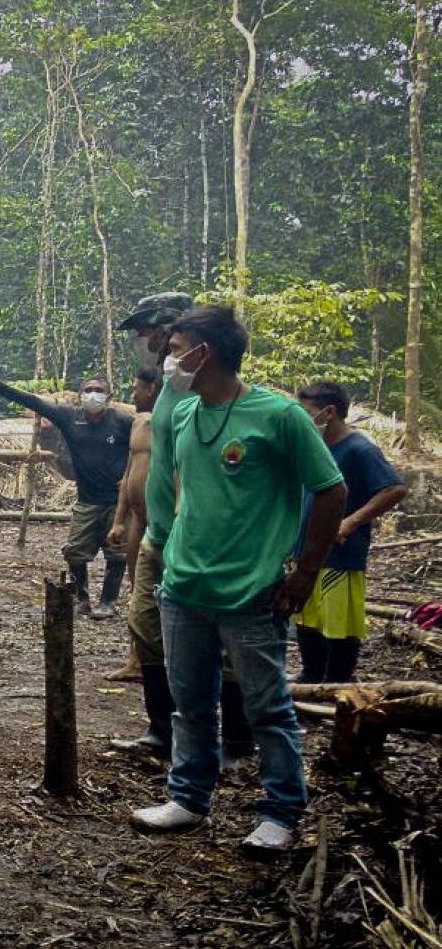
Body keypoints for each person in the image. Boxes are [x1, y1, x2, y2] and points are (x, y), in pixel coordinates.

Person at [130, 306, 345, 854]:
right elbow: (187, 485)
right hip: (183, 588)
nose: (167, 359)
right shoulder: (185, 413)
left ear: (204, 354)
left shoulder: (279, 416)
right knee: (190, 703)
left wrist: (305, 571)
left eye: (175, 349)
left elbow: (330, 489)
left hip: (251, 592)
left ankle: (281, 811)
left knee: (266, 707)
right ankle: (188, 797)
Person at [111, 292, 255, 767]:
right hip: (159, 534)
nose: (149, 342)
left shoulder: (211, 395)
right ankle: (161, 730)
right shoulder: (169, 390)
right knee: (146, 627)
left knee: (224, 642)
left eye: (154, 333)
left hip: (196, 540)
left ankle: (237, 741)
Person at [0, 374, 132, 619]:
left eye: (98, 390)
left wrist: (131, 475)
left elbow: (143, 445)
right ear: (80, 395)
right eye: (88, 390)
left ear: (109, 397)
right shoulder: (70, 417)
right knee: (74, 551)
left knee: (116, 552)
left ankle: (108, 601)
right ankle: (81, 598)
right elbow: (35, 402)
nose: (93, 395)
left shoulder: (123, 421)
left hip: (117, 502)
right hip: (86, 500)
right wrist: (1, 387)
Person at [293, 382, 407, 685]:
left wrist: (351, 521)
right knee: (307, 615)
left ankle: (338, 682)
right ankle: (311, 676)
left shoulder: (360, 449)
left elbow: (394, 488)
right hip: (308, 549)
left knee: (339, 621)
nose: (302, 420)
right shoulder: (313, 447)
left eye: (306, 412)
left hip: (342, 554)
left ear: (329, 412)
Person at [103, 367, 161, 681]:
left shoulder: (174, 423)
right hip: (138, 517)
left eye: (137, 388)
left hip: (164, 520)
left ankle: (166, 660)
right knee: (138, 588)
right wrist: (118, 520)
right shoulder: (138, 424)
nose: (133, 394)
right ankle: (136, 660)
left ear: (152, 389)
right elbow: (128, 475)